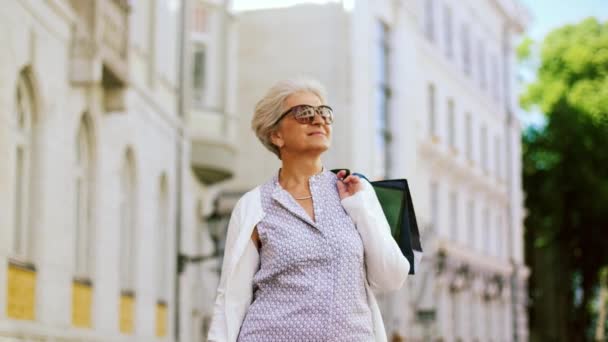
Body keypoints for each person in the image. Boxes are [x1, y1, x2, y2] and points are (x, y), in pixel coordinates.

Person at [207, 78, 410, 342]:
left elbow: (392, 277)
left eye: (324, 113)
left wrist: (360, 208)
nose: (318, 120)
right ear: (276, 134)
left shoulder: (356, 192)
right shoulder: (253, 205)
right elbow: (232, 297)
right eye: (304, 113)